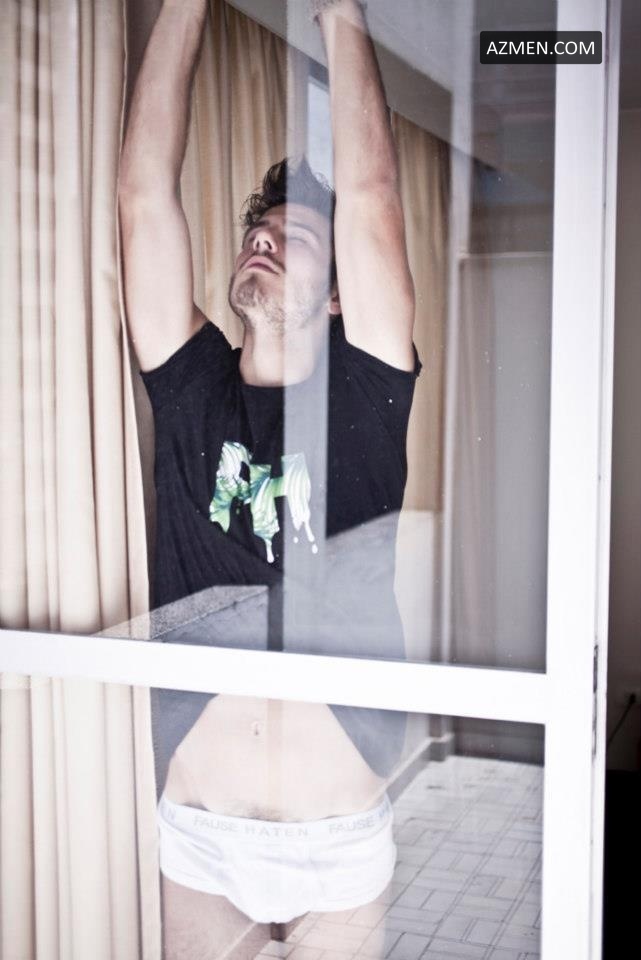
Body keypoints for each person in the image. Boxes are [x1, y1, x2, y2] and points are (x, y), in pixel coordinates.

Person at [118, 0, 420, 956]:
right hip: (199, 834)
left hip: (337, 840)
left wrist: (339, 14)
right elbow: (143, 197)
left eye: (297, 239)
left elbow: (372, 198)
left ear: (336, 298)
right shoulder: (192, 389)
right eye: (259, 227)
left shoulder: (365, 395)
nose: (263, 239)